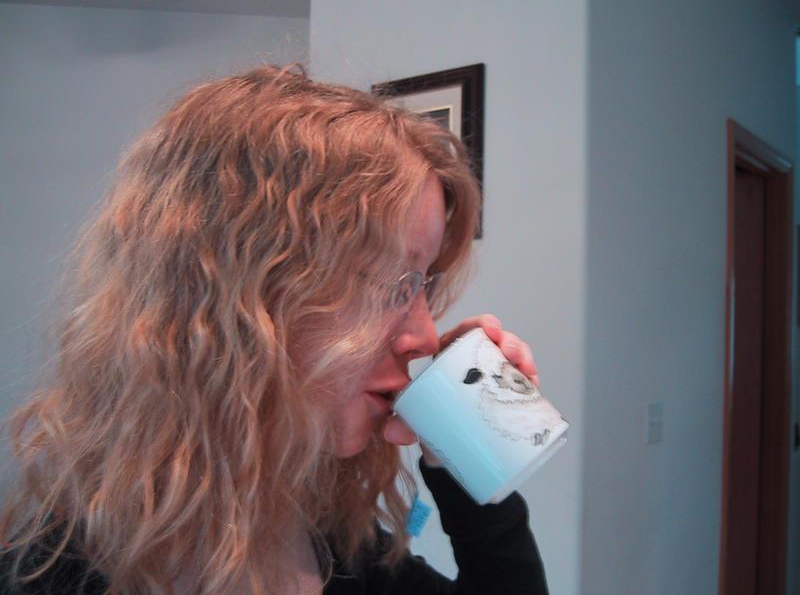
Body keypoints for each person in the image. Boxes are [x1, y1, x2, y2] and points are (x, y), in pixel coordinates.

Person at [0, 64, 549, 594]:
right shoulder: (46, 577)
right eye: (386, 285)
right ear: (238, 302)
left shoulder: (330, 544)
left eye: (422, 284)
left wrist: (459, 447)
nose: (426, 339)